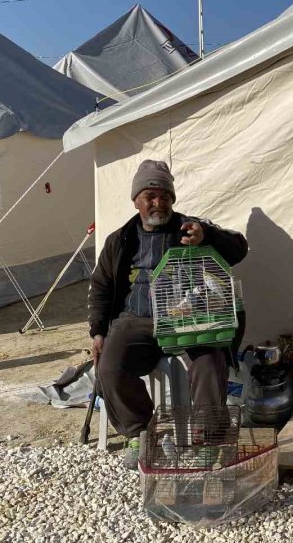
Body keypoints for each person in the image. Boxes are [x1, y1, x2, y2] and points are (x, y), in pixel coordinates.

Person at [88, 160, 248, 468]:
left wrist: (208, 238)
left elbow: (239, 248)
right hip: (137, 319)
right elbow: (101, 287)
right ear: (136, 201)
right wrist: (97, 331)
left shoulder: (191, 228)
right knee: (110, 366)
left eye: (164, 196)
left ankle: (207, 437)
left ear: (172, 199)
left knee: (210, 360)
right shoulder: (120, 240)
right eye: (150, 196)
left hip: (189, 317)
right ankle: (140, 434)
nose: (158, 203)